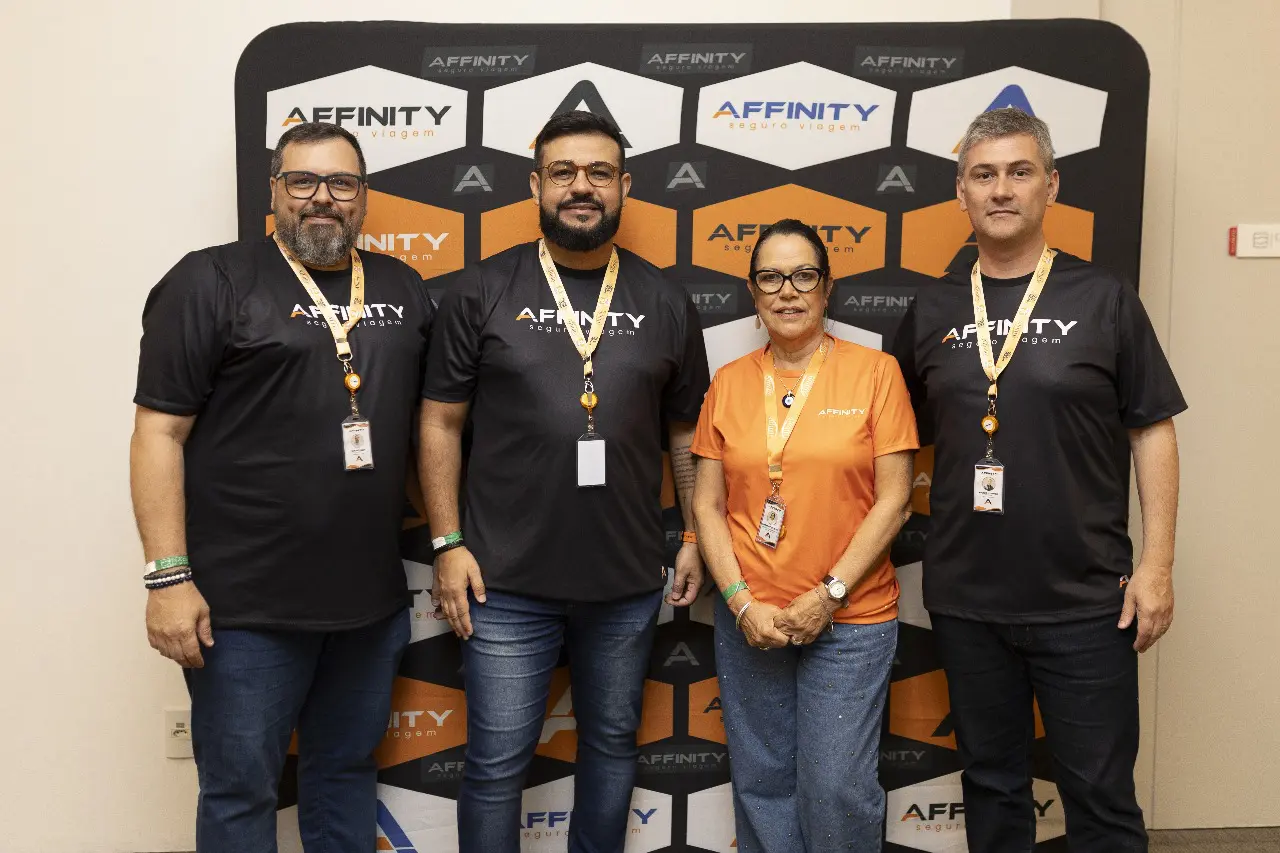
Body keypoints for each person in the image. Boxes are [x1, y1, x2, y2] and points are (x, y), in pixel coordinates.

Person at [130, 122, 434, 852]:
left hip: (368, 605)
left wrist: (452, 536)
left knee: (345, 774)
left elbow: (429, 431)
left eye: (342, 183)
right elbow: (157, 434)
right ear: (274, 192)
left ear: (364, 196)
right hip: (244, 610)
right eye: (303, 181)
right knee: (241, 793)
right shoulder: (211, 280)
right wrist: (168, 578)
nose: (322, 198)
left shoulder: (401, 286)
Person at [892, 107, 1185, 853]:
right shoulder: (932, 307)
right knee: (992, 788)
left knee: (1101, 799)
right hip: (967, 599)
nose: (1001, 190)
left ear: (1050, 186)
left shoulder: (1104, 297)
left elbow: (1151, 429)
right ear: (960, 191)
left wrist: (1157, 566)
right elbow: (892, 440)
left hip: (1086, 602)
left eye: (1019, 172)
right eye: (983, 174)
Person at [419, 110, 711, 853]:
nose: (582, 187)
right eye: (564, 173)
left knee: (611, 748)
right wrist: (447, 542)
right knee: (496, 766)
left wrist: (693, 535)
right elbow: (440, 423)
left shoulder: (665, 300)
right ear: (535, 185)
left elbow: (686, 435)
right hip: (503, 583)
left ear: (625, 186)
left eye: (599, 173)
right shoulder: (482, 289)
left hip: (625, 582)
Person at [691, 219, 919, 852]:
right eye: (770, 277)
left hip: (850, 618)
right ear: (752, 292)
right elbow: (706, 505)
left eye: (802, 275)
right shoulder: (729, 382)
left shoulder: (876, 373)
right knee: (762, 782)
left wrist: (827, 595)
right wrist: (740, 603)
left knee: (837, 787)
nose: (787, 291)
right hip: (752, 619)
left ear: (827, 287)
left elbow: (896, 500)